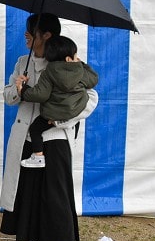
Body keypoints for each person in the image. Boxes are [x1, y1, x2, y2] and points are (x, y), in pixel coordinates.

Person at [0, 13, 98, 241]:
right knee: (31, 191)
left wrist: (61, 120)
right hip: (27, 137)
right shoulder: (23, 62)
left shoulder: (67, 62)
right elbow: (8, 97)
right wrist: (17, 88)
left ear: (47, 36)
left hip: (55, 140)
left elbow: (91, 98)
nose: (26, 35)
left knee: (56, 195)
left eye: (32, 31)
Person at [15, 35, 98, 168]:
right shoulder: (81, 70)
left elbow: (41, 94)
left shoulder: (48, 72)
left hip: (51, 114)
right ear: (68, 58)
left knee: (35, 130)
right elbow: (93, 80)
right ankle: (73, 139)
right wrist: (82, 65)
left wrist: (23, 90)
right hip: (73, 111)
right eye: (75, 56)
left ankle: (38, 156)